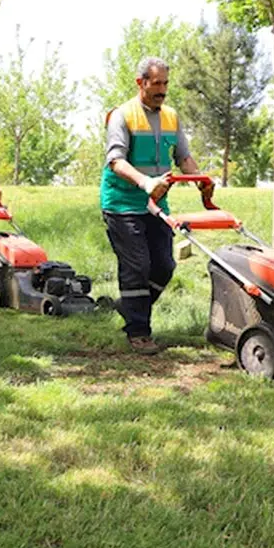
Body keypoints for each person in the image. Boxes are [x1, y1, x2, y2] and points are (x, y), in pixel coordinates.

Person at [101, 57, 212, 354]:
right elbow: (116, 161)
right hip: (122, 203)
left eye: (166, 83)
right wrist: (145, 182)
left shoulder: (172, 117)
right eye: (157, 84)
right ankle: (138, 331)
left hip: (155, 205)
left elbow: (184, 157)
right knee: (137, 266)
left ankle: (131, 308)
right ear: (141, 83)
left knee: (163, 266)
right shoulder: (122, 116)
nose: (163, 90)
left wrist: (200, 179)